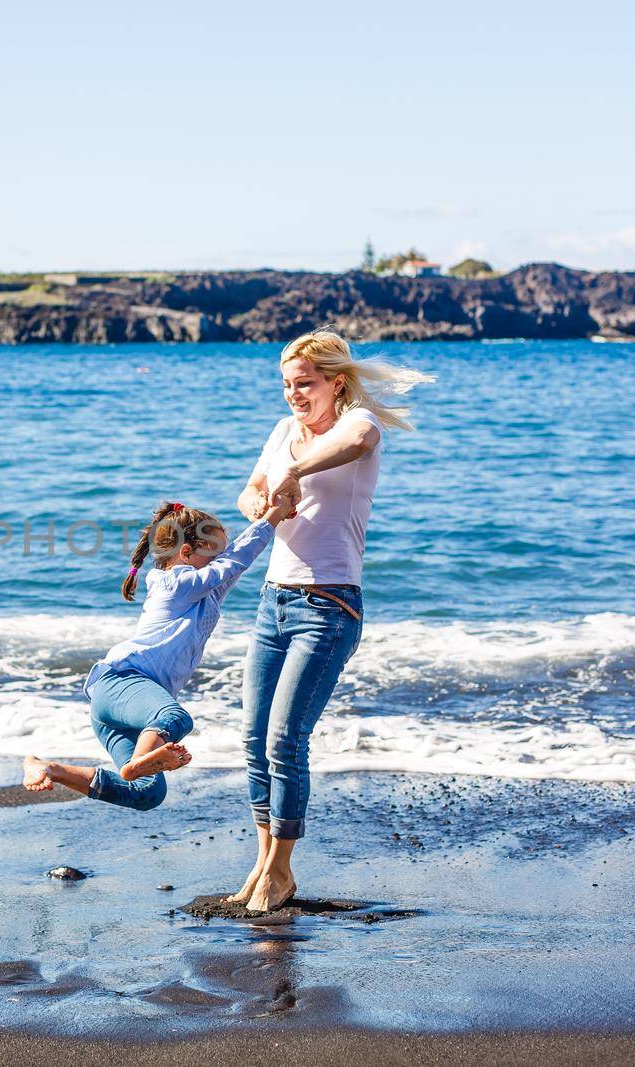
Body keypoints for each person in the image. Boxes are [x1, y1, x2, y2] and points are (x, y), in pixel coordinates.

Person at [226, 327, 432, 911]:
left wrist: (294, 475)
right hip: (274, 602)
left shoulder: (356, 424)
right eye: (288, 385)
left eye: (305, 384)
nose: (294, 395)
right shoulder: (282, 431)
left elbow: (355, 444)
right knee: (253, 738)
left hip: (329, 605)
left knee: (286, 739)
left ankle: (281, 870)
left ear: (335, 383)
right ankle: (265, 862)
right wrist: (259, 501)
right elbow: (251, 490)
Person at [23, 495, 295, 809]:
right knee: (175, 717)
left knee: (146, 793)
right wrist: (275, 515)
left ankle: (51, 768)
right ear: (187, 553)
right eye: (214, 555)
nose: (221, 562)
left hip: (123, 708)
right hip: (123, 682)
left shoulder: (202, 591)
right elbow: (233, 562)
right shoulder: (173, 584)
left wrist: (268, 521)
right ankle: (137, 763)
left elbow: (236, 559)